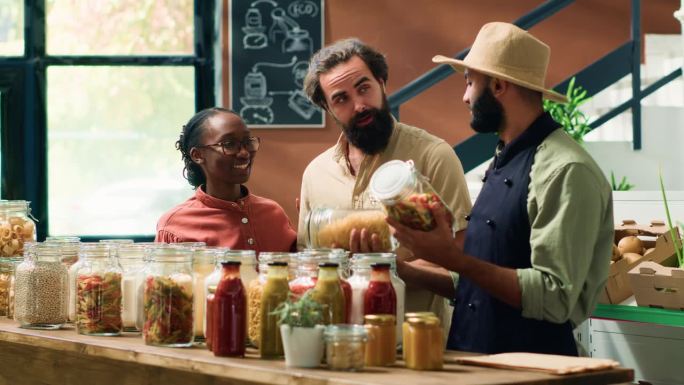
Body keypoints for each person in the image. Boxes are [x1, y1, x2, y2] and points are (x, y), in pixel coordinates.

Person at [388, 22, 613, 355]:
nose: (465, 96)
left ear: (497, 85)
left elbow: (555, 298)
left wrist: (452, 257)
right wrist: (397, 268)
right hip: (477, 361)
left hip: (535, 372)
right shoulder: (504, 158)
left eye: (469, 82)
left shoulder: (566, 171)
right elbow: (479, 284)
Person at [300, 38, 473, 325]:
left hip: (416, 345)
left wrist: (393, 268)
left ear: (382, 82)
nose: (358, 106)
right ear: (327, 108)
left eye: (364, 88)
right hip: (337, 340)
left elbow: (463, 273)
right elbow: (310, 267)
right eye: (341, 99)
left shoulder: (433, 156)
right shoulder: (315, 174)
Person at [155, 107, 297, 253]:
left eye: (247, 142)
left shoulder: (273, 213)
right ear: (197, 155)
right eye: (229, 144)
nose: (244, 153)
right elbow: (163, 276)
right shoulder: (174, 226)